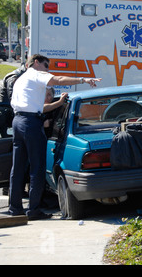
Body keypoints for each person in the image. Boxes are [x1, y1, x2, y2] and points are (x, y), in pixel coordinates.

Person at [8, 54, 101, 220]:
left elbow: (37, 107)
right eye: (46, 66)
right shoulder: (36, 74)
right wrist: (83, 80)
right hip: (30, 124)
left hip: (18, 121)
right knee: (37, 168)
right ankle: (33, 209)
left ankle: (14, 208)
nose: (47, 70)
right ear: (36, 63)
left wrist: (58, 103)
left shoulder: (21, 80)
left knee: (18, 167)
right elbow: (58, 80)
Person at [0, 63, 27, 138]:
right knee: (6, 139)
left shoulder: (23, 76)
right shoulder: (13, 77)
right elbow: (12, 96)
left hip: (10, 112)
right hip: (5, 113)